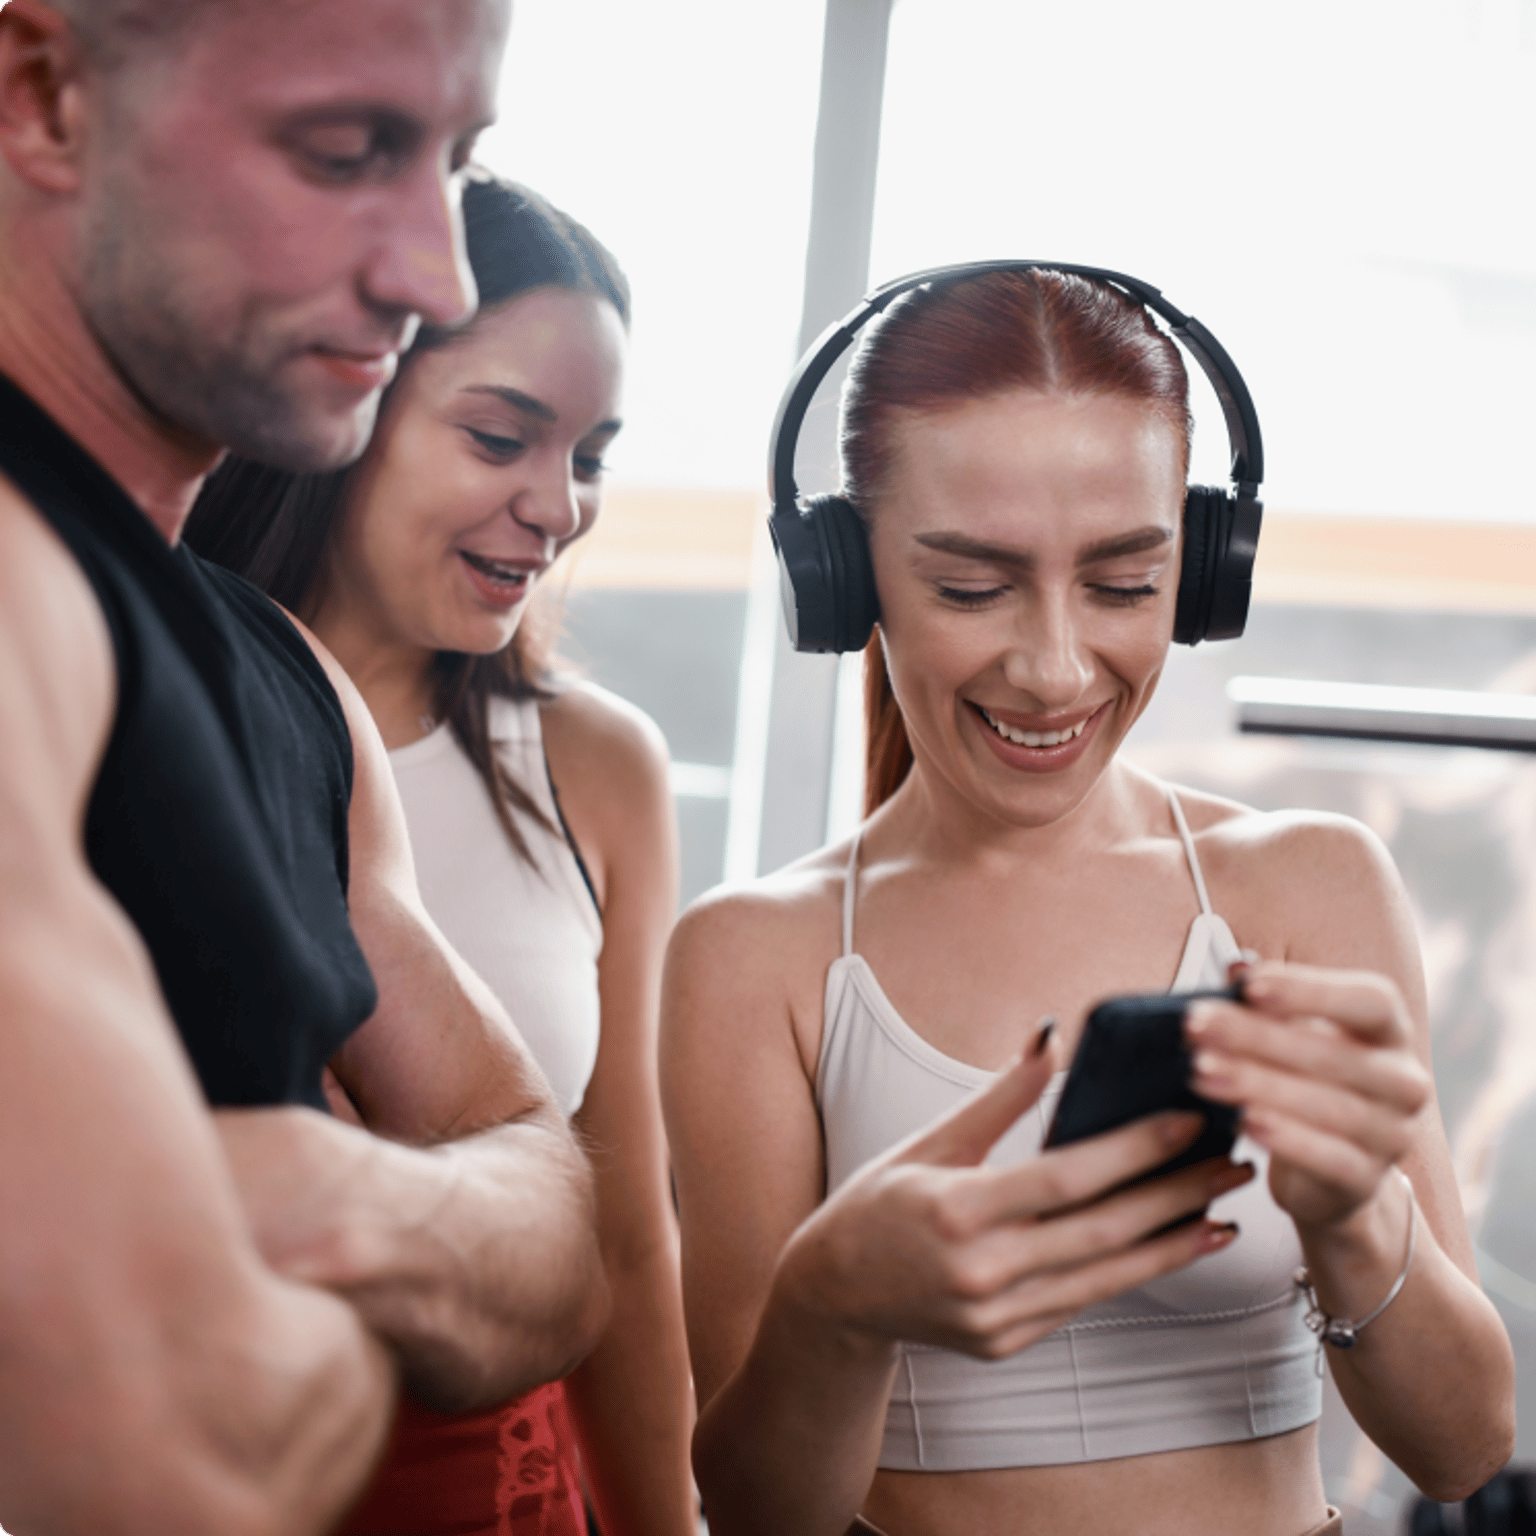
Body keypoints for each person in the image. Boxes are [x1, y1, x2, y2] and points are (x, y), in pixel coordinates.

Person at [659, 267, 1517, 1536]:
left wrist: (1356, 1218)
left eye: (1123, 586)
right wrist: (835, 1310)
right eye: (968, 588)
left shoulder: (1303, 886)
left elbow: (1462, 1450)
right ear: (846, 581)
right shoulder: (755, 960)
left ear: (1203, 572)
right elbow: (760, 1515)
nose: (1056, 668)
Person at [0, 3, 609, 1532]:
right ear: (44, 95)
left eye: (456, 164)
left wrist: (316, 1196)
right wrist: (398, 1253)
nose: (437, 272)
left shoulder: (289, 679)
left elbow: (556, 1220)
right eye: (349, 152)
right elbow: (157, 1437)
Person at [184, 173, 697, 1536]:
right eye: (500, 437)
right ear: (346, 400)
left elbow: (627, 1234)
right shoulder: (146, 712)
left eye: (586, 456)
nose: (559, 507)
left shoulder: (597, 769)